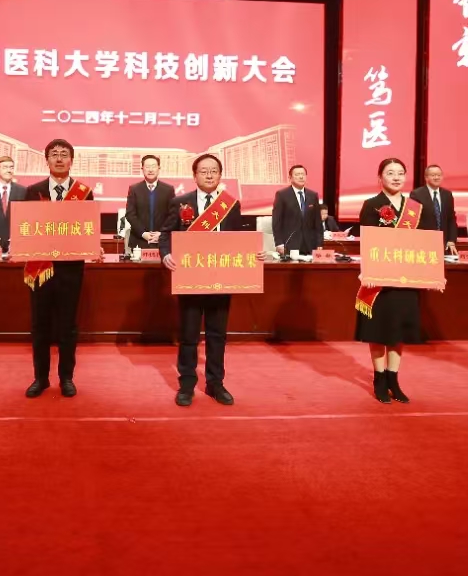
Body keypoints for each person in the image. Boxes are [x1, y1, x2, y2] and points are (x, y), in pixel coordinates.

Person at [160, 153, 251, 407]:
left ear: (220, 175)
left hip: (221, 278)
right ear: (194, 175)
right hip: (190, 278)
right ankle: (187, 384)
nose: (209, 175)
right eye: (204, 171)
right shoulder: (180, 202)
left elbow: (238, 240)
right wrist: (166, 254)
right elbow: (166, 235)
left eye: (213, 171)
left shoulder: (230, 205)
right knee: (189, 334)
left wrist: (253, 254)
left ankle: (215, 383)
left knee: (217, 334)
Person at [22, 139, 94, 398]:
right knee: (40, 325)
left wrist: (93, 246)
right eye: (54, 154)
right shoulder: (33, 191)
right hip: (40, 267)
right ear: (47, 160)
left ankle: (66, 378)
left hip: (70, 269)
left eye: (64, 154)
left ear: (71, 160)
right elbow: (25, 227)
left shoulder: (84, 192)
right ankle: (40, 378)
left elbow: (87, 228)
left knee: (67, 326)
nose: (60, 158)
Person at [355, 158, 425, 404]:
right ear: (380, 178)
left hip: (405, 278)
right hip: (380, 279)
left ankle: (394, 379)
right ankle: (379, 378)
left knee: (398, 330)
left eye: (400, 173)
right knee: (379, 330)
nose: (396, 177)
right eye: (390, 173)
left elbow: (425, 242)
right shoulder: (371, 205)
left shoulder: (416, 208)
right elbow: (367, 241)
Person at [124, 154, 175, 251]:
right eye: (147, 167)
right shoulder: (134, 189)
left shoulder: (168, 190)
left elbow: (172, 215)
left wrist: (162, 233)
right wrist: (143, 234)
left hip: (162, 241)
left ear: (159, 168)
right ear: (142, 169)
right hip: (139, 241)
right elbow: (130, 214)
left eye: (153, 166)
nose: (150, 170)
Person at [271, 164, 323, 255]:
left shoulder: (313, 195)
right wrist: (279, 243)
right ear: (290, 178)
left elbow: (317, 222)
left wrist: (319, 243)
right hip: (290, 244)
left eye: (303, 174)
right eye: (297, 174)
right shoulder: (282, 195)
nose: (301, 177)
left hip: (310, 244)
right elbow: (277, 221)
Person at [410, 164, 458, 255]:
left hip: (444, 244)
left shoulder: (447, 195)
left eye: (439, 175)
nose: (436, 177)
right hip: (424, 243)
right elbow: (414, 221)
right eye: (433, 175)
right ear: (426, 177)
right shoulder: (416, 194)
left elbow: (451, 219)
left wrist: (451, 240)